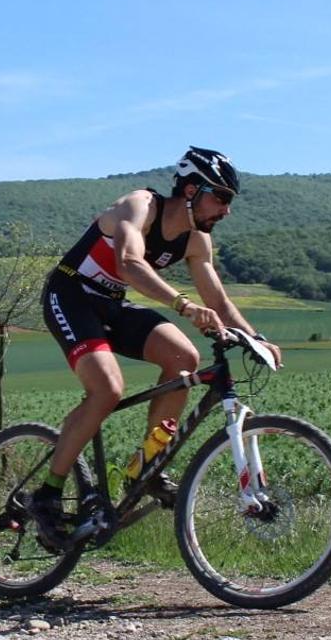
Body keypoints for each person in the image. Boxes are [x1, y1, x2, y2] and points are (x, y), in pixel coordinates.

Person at [33, 146, 282, 542]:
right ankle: (46, 494)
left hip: (111, 304)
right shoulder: (139, 206)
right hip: (71, 295)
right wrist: (183, 305)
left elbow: (217, 300)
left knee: (185, 357)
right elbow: (129, 263)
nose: (226, 209)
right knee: (107, 389)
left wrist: (255, 337)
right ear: (190, 190)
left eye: (229, 200)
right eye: (221, 197)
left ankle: (146, 465)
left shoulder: (196, 240)